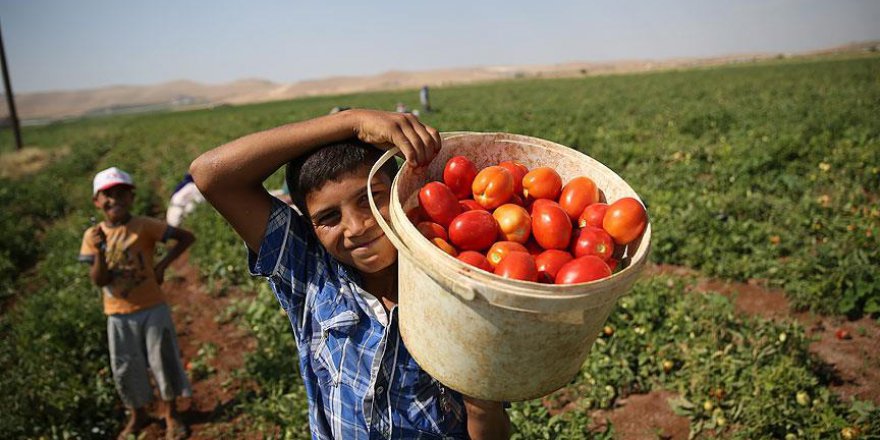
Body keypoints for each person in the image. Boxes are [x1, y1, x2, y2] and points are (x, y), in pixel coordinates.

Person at [189, 109, 511, 439]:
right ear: (310, 227)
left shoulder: (451, 282)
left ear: (402, 192)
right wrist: (351, 122)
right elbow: (211, 175)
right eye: (328, 217)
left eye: (371, 198)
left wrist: (481, 405)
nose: (357, 227)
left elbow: (493, 430)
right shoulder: (310, 271)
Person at [79, 167, 196, 440]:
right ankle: (138, 414)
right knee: (125, 366)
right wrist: (99, 250)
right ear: (96, 201)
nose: (114, 200)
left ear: (131, 197)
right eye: (107, 195)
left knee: (162, 362)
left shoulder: (143, 225)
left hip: (153, 307)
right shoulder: (93, 236)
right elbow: (99, 280)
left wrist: (162, 265)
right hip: (117, 314)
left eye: (121, 194)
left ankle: (171, 413)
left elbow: (186, 237)